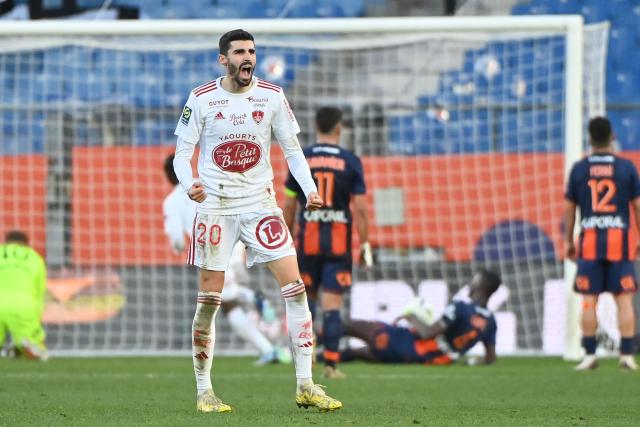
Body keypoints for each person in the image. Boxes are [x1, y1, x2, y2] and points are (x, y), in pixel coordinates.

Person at [172, 29, 341, 413]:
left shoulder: (272, 96)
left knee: (296, 289)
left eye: (251, 51)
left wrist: (310, 189)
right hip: (215, 206)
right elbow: (182, 155)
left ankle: (306, 385)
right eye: (239, 52)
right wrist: (189, 184)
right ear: (223, 59)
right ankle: (204, 391)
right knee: (211, 299)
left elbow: (293, 151)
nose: (247, 57)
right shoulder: (201, 99)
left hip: (261, 204)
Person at [162, 154, 284, 366]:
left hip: (213, 249)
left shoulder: (172, 201)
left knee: (226, 301)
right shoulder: (204, 184)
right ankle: (266, 343)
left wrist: (178, 246)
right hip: (234, 242)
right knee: (227, 304)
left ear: (167, 176)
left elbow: (177, 242)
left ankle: (254, 300)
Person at [282, 106, 372, 379]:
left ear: (316, 126)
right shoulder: (351, 161)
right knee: (332, 307)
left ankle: (306, 363)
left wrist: (285, 239)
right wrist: (365, 245)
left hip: (306, 245)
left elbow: (289, 204)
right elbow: (360, 209)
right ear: (338, 127)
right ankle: (331, 366)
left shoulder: (302, 157)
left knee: (304, 306)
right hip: (338, 246)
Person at [564, 116, 640, 371]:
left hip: (589, 243)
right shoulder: (626, 168)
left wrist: (568, 241)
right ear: (612, 136)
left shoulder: (579, 169)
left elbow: (569, 208)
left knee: (588, 301)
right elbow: (637, 207)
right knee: (624, 301)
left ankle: (589, 355)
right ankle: (627, 356)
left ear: (590, 137)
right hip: (620, 243)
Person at [339, 269, 500, 366]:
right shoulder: (491, 322)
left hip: (413, 345)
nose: (470, 283)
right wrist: (473, 362)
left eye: (474, 279)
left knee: (346, 325)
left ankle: (314, 343)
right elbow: (490, 358)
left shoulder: (460, 307)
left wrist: (412, 316)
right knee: (356, 353)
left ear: (480, 285)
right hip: (434, 359)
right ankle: (321, 357)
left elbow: (427, 333)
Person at [0, 230, 48, 360]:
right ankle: (24, 346)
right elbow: (39, 293)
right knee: (40, 354)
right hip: (23, 304)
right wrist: (36, 319)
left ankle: (7, 349)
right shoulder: (35, 258)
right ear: (26, 244)